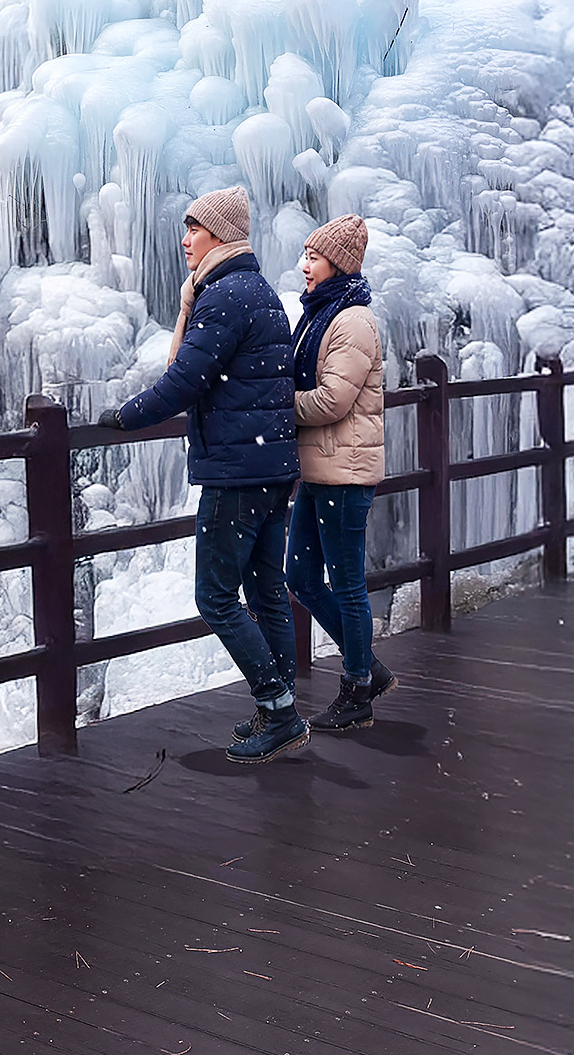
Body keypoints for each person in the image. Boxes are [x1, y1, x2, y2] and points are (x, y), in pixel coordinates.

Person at [105, 187, 306, 763]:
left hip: (238, 472)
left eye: (193, 229)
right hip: (271, 467)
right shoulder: (260, 291)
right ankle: (278, 708)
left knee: (215, 597)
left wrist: (126, 415)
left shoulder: (223, 298)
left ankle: (280, 709)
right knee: (266, 591)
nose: (184, 240)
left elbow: (185, 381)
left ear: (219, 234)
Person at [285, 214, 396, 731]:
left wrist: (277, 406)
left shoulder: (352, 321)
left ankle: (356, 692)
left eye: (313, 256)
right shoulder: (322, 314)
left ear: (339, 264)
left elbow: (333, 400)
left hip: (346, 474)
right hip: (320, 471)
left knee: (347, 583)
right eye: (305, 255)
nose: (304, 266)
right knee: (301, 575)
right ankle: (366, 666)